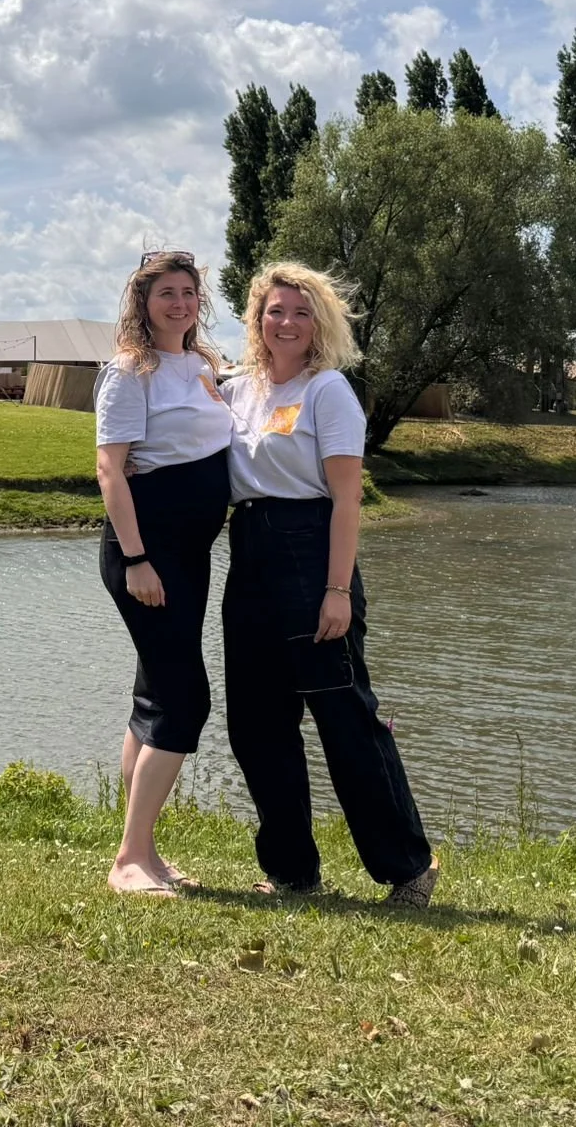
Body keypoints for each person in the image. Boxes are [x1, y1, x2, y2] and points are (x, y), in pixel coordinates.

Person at [221, 262, 438, 907]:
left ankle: (408, 869)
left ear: (321, 324)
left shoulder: (329, 392)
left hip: (313, 552)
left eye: (301, 312)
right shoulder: (237, 392)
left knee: (343, 717)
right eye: (274, 310)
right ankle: (293, 872)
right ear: (257, 318)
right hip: (250, 555)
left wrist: (337, 591)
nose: (286, 322)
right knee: (257, 723)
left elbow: (347, 499)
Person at [93, 249, 234, 897]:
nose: (178, 303)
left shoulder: (202, 365)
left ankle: (144, 852)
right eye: (165, 294)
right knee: (186, 698)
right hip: (148, 554)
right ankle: (128, 859)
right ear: (143, 303)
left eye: (187, 292)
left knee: (154, 696)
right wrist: (137, 560)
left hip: (191, 554)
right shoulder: (130, 370)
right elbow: (109, 471)